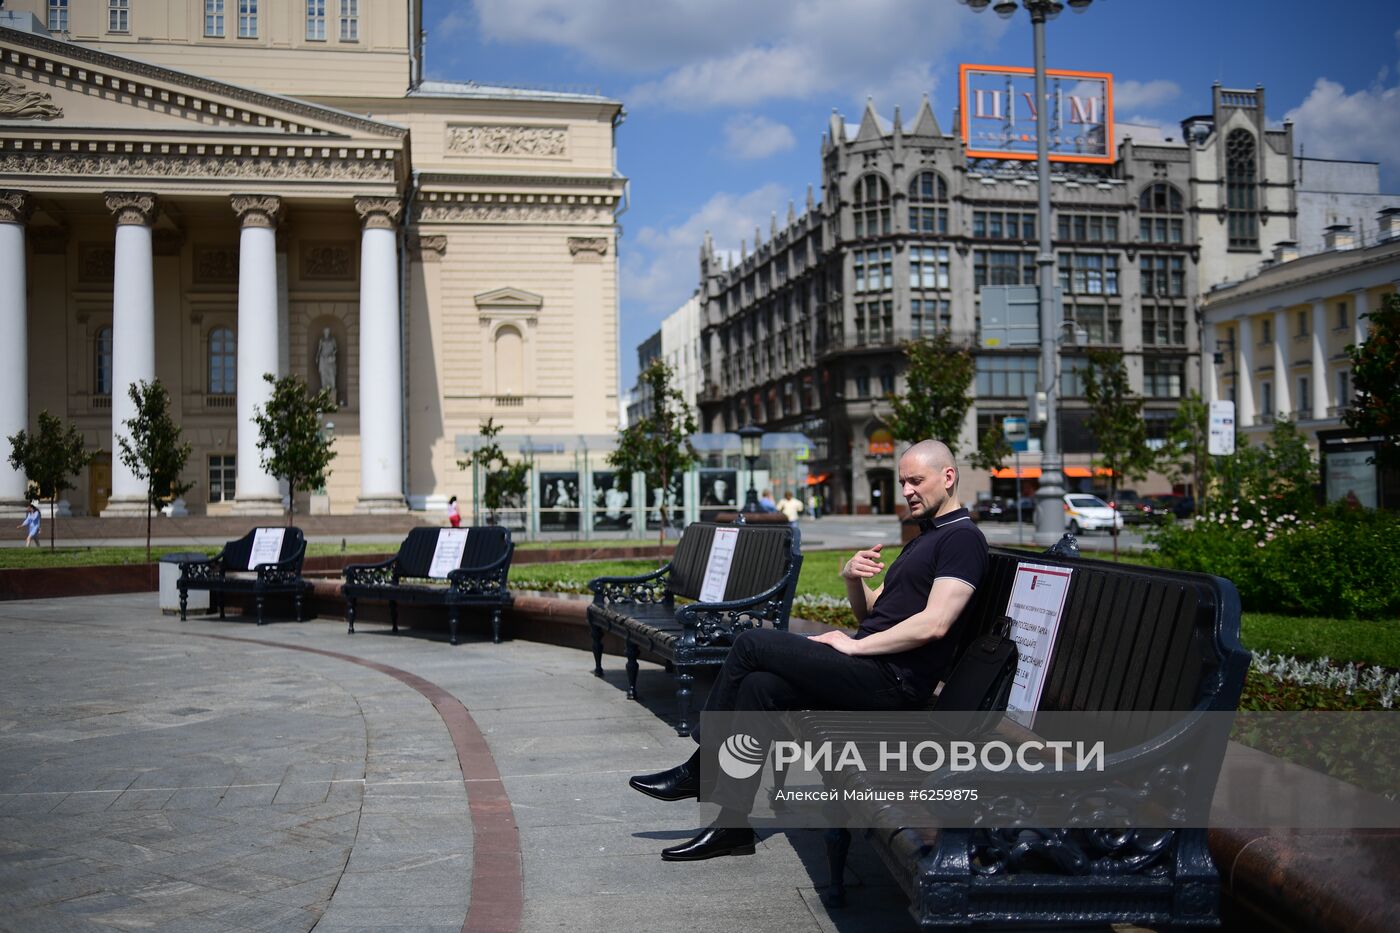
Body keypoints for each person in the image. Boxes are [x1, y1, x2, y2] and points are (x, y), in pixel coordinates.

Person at [628, 439, 988, 861]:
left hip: (892, 680)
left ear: (948, 477)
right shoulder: (925, 538)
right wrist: (853, 579)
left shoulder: (962, 540)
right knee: (760, 685)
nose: (907, 490)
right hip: (872, 665)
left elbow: (936, 623)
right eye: (902, 482)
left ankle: (701, 766)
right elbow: (873, 611)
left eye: (916, 481)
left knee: (749, 643)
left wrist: (857, 649)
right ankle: (732, 827)